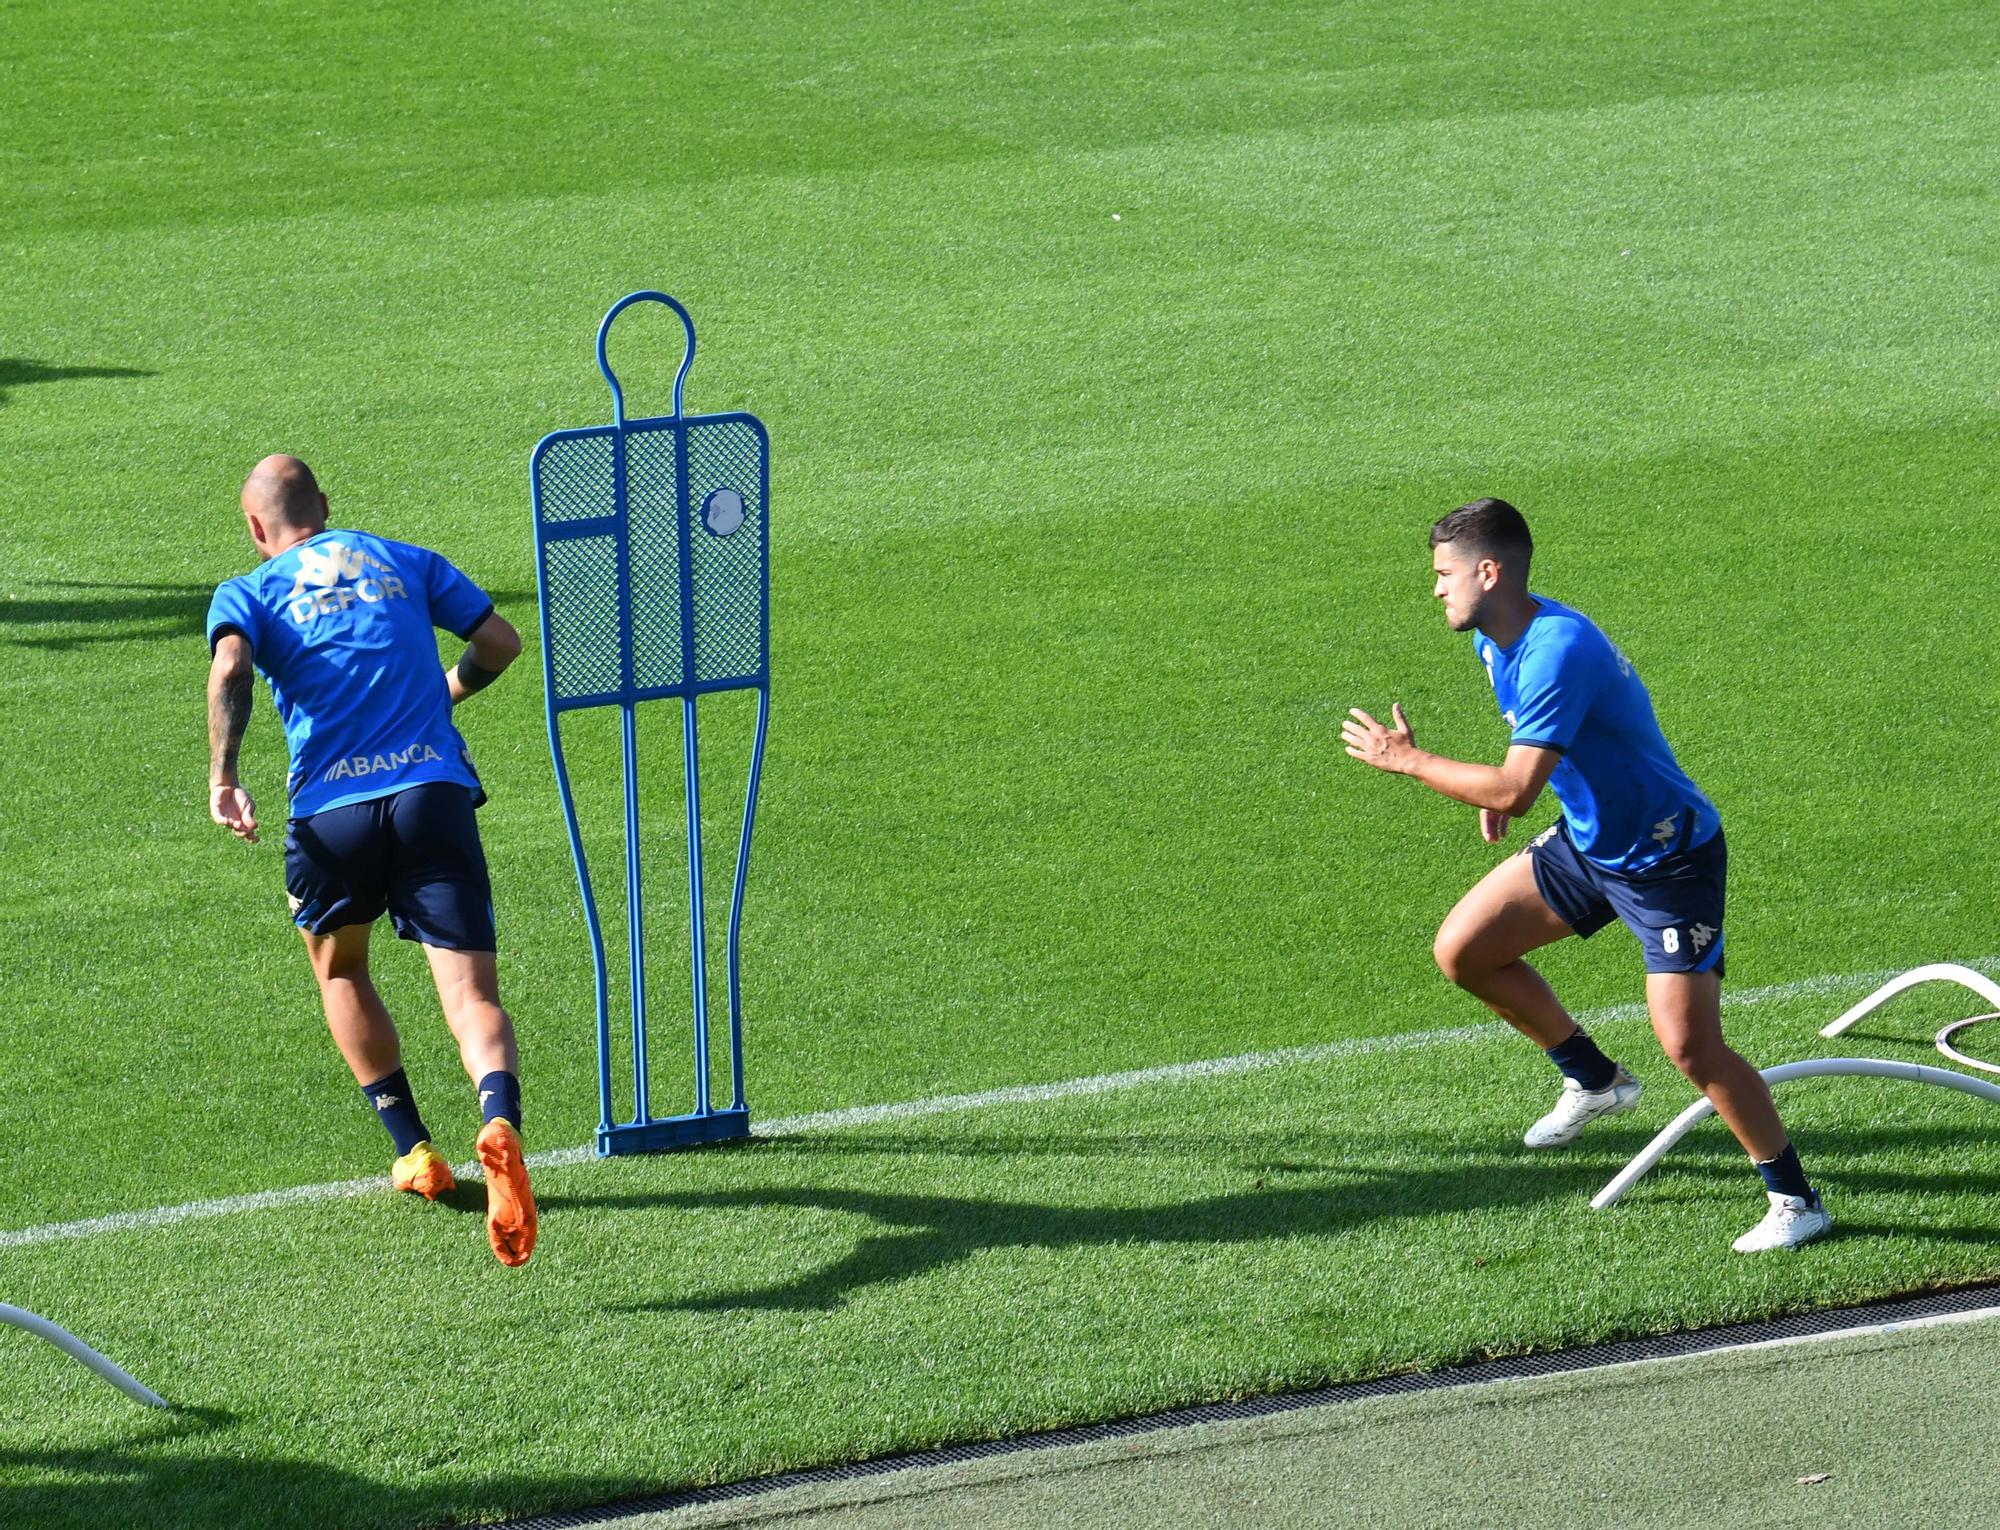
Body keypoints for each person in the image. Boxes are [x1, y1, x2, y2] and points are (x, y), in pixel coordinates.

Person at [1342, 498, 1830, 1252]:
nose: (1436, 589)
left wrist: (1416, 764)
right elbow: (1548, 758)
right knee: (1465, 951)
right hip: (1592, 845)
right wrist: (1502, 792)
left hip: (1669, 862)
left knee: (1692, 1047)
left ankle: (1796, 1200)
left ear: (1490, 570)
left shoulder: (1556, 647)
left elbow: (1514, 785)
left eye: (1444, 574)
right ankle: (1596, 1080)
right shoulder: (1498, 640)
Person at [204, 454, 538, 1268]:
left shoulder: (247, 591)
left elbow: (232, 669)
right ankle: (498, 1119)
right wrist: (448, 689)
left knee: (343, 971)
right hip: (433, 796)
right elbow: (500, 641)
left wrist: (224, 776)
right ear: (325, 503)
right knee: (469, 993)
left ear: (256, 528)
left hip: (331, 814)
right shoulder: (403, 558)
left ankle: (416, 1150)